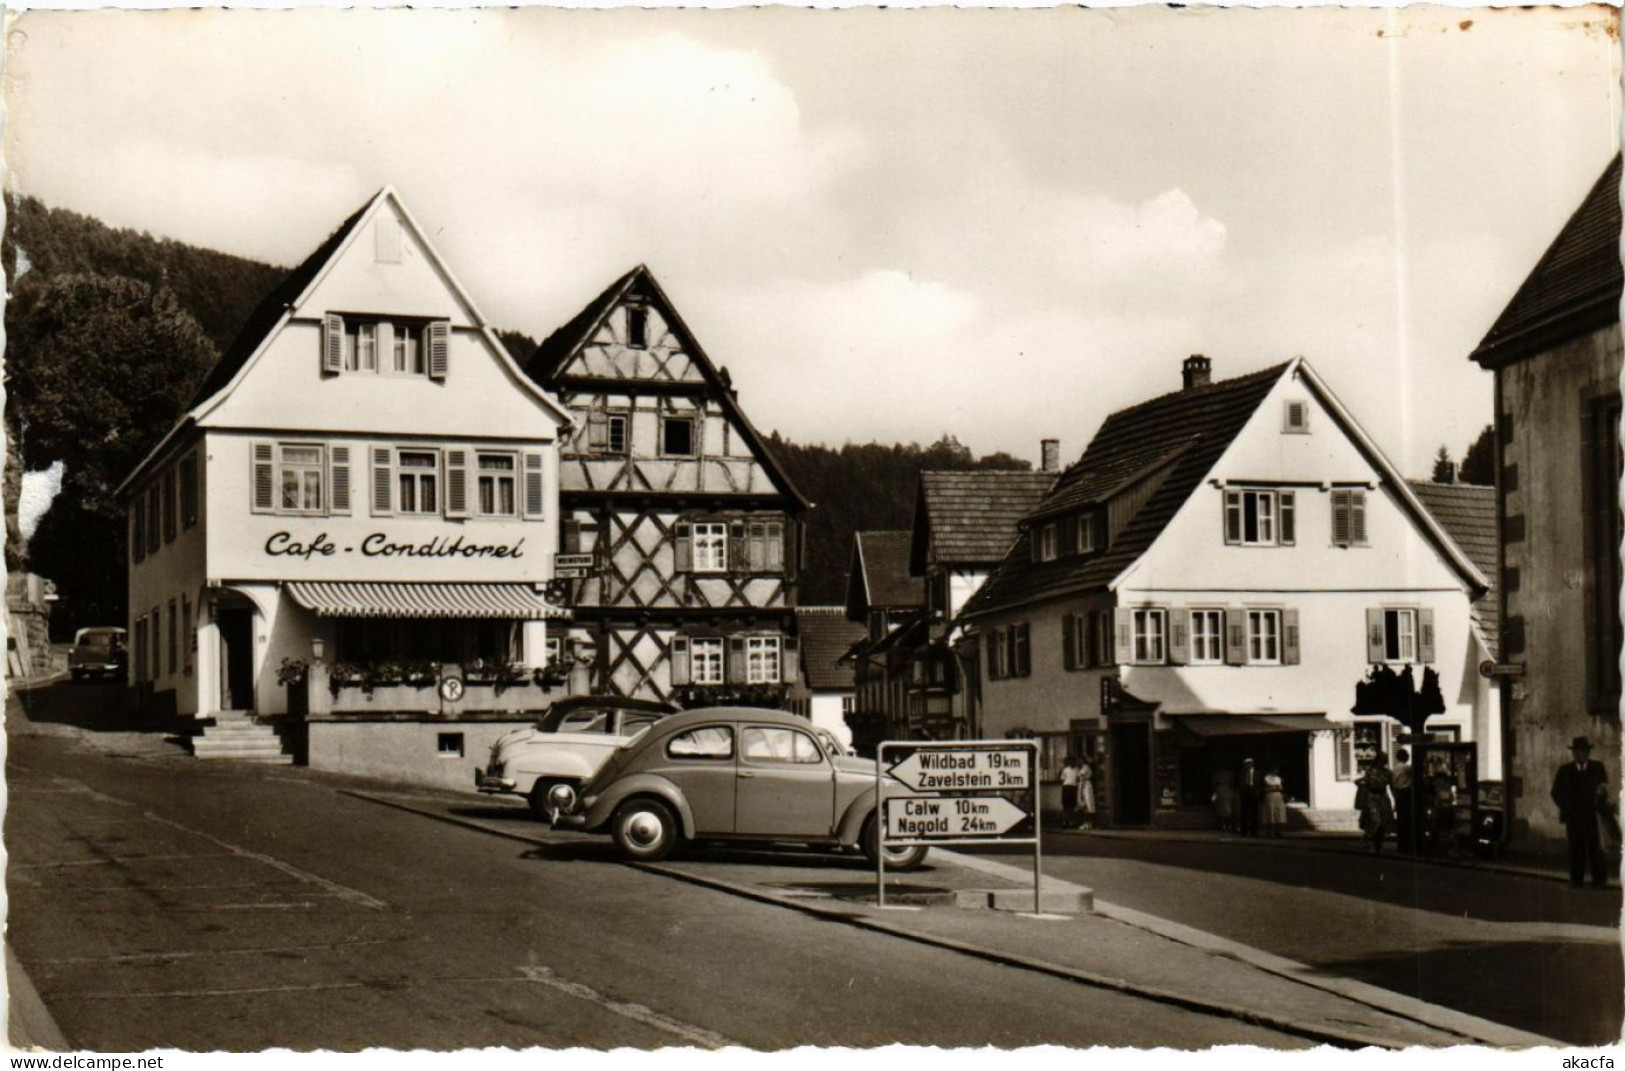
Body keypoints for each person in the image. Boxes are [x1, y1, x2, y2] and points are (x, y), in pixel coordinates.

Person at [1551, 736, 1611, 889]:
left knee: (1596, 848)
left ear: (1588, 753)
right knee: (1576, 848)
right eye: (1576, 752)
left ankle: (1599, 880)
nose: (1579, 755)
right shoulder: (1565, 770)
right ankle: (1576, 879)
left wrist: (1601, 796)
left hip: (1593, 817)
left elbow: (1605, 788)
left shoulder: (1597, 767)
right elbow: (1555, 792)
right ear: (1573, 754)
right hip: (1574, 817)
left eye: (1583, 752)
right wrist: (1567, 808)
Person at [1357, 752, 1395, 853]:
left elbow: (1392, 787)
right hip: (1372, 798)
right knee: (1376, 821)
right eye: (1382, 759)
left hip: (1383, 798)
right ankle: (1367, 839)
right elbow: (1364, 783)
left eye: (1385, 760)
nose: (1384, 762)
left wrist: (1395, 799)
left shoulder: (1388, 772)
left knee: (1384, 821)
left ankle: (1378, 844)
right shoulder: (1370, 771)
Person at [1390, 748, 1414, 853]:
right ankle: (1406, 844)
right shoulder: (1406, 768)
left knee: (1401, 820)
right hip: (1406, 793)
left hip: (1398, 794)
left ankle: (1401, 844)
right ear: (1404, 757)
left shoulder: (1394, 768)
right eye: (1407, 755)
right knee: (1407, 819)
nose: (1408, 757)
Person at [1237, 759, 1261, 837]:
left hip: (1254, 793)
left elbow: (1260, 784)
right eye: (1245, 764)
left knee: (1254, 813)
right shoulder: (1242, 773)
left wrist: (1257, 792)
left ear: (1252, 764)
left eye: (1248, 764)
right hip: (1245, 794)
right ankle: (1244, 831)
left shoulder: (1257, 773)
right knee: (1244, 813)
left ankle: (1254, 832)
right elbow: (1239, 783)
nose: (1247, 765)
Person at [1261, 766, 1287, 837]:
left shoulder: (1278, 778)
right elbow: (1265, 788)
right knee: (1270, 812)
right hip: (1269, 796)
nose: (1276, 771)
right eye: (1275, 770)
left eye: (1277, 770)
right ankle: (1269, 831)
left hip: (1277, 796)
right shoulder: (1266, 778)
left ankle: (1278, 831)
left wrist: (1275, 788)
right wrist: (1274, 788)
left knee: (1277, 812)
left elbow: (1280, 788)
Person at [1211, 768, 1238, 833]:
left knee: (1228, 810)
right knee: (1221, 810)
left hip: (1227, 793)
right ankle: (1224, 825)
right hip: (1220, 794)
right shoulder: (1217, 777)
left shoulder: (1230, 779)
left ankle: (1227, 824)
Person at [1059, 755, 1082, 830]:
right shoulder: (1065, 770)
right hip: (1067, 787)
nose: (1072, 763)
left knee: (1072, 806)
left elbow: (1078, 779)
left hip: (1073, 787)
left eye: (1073, 762)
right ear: (1068, 763)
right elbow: (1062, 779)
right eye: (1070, 762)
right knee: (1066, 806)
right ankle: (1064, 821)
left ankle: (1071, 821)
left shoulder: (1077, 770)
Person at [1078, 759, 1097, 830]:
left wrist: (1081, 791)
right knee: (1087, 805)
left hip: (1085, 786)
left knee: (1087, 805)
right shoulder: (1086, 767)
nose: (1078, 762)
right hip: (1086, 785)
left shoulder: (1085, 767)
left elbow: (1082, 779)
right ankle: (1088, 823)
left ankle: (1088, 823)